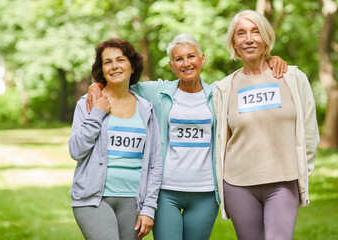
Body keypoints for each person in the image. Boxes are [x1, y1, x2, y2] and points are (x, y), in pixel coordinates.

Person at [86, 33, 287, 240]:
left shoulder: (219, 93)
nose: (186, 63)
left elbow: (249, 79)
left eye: (191, 56)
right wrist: (96, 85)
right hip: (166, 192)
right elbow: (120, 84)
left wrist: (271, 60)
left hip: (206, 192)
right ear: (172, 65)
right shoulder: (157, 92)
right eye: (179, 59)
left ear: (202, 59)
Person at [213, 10, 320, 240]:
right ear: (234, 42)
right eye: (241, 33)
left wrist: (304, 171)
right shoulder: (223, 88)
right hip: (237, 184)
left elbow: (309, 131)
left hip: (283, 181)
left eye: (256, 32)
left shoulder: (292, 78)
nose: (249, 39)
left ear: (266, 38)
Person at [68, 38, 162, 240]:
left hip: (133, 201)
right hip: (93, 199)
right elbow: (76, 150)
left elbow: (155, 163)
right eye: (107, 62)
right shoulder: (88, 103)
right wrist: (97, 114)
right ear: (101, 70)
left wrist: (149, 208)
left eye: (120, 59)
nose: (114, 66)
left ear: (131, 65)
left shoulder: (146, 109)